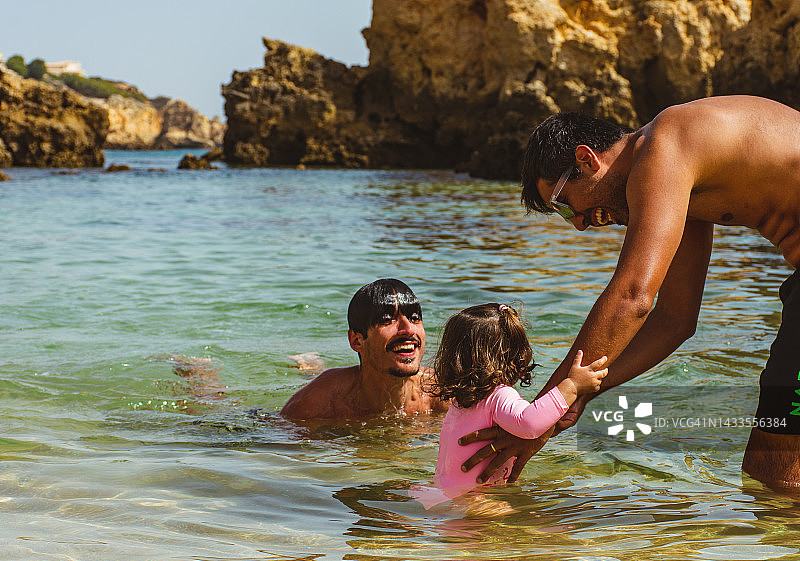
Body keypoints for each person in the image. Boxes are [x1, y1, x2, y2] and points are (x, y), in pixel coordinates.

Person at [458, 95, 800, 490]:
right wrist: (578, 393)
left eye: (566, 206)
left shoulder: (665, 145)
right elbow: (675, 319)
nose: (580, 225)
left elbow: (633, 296)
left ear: (587, 159)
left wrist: (542, 412)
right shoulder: (680, 177)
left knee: (774, 467)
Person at [410, 303, 607, 508]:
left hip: (445, 493)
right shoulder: (498, 397)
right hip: (474, 500)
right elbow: (529, 423)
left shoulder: (462, 401)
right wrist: (572, 386)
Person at [280, 278, 448, 419]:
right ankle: (310, 365)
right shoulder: (324, 399)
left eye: (414, 318)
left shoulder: (442, 392)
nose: (409, 329)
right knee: (317, 378)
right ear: (356, 341)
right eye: (387, 319)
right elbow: (268, 440)